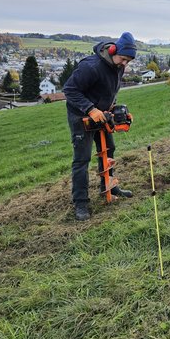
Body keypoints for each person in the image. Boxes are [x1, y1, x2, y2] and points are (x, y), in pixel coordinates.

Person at [64, 32, 137, 221]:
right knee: (82, 159)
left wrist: (115, 109)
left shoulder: (118, 66)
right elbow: (70, 90)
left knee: (109, 149)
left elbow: (108, 90)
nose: (124, 64)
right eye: (123, 59)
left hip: (102, 114)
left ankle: (109, 186)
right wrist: (90, 109)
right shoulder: (91, 67)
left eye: (128, 61)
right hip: (81, 115)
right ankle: (81, 203)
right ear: (113, 51)